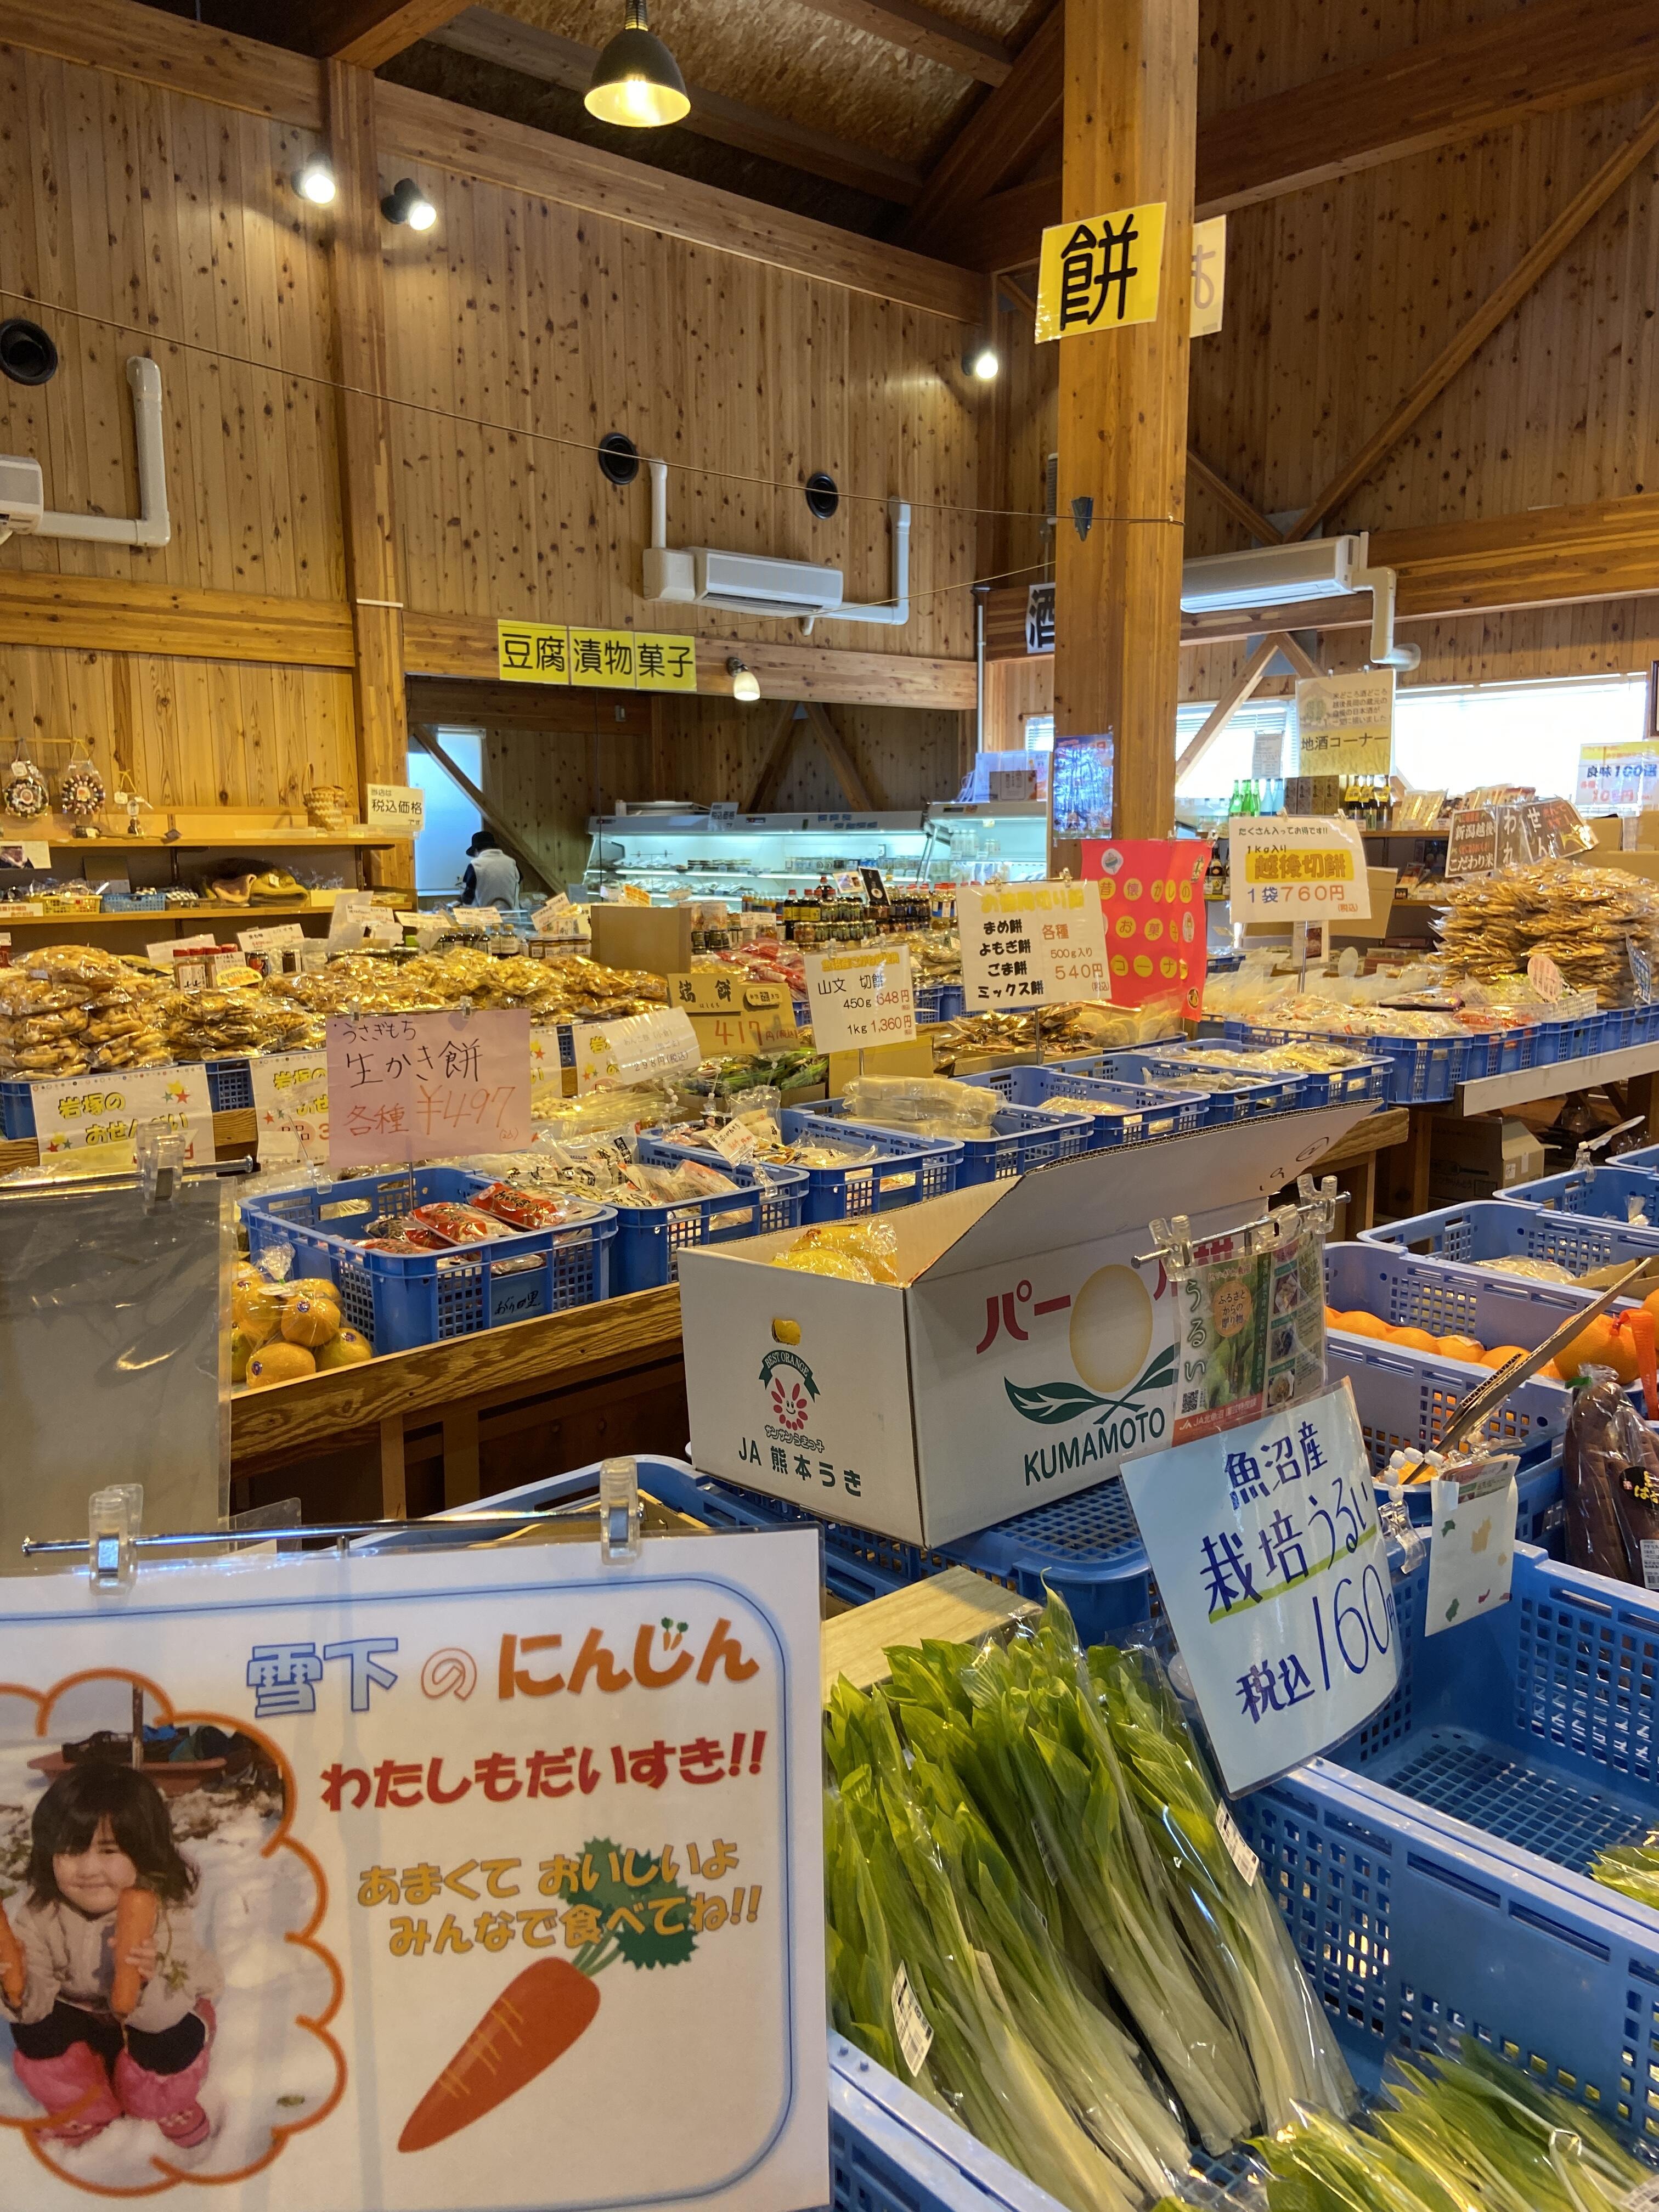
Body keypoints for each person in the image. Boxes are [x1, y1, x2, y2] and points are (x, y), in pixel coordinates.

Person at [1, 1762, 223, 2149]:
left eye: (109, 1850)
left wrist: (148, 1978)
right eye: (70, 1850)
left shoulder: (165, 1914)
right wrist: (12, 1982)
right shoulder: (38, 1913)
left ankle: (163, 2101)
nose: (88, 1869)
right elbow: (34, 2002)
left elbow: (165, 2007)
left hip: (165, 2010)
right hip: (88, 2011)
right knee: (33, 2030)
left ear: (143, 1852)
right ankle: (88, 2105)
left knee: (169, 2040)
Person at [460, 830, 521, 910]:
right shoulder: (511, 862)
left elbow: (468, 898)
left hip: (488, 919)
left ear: (476, 851)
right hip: (513, 918)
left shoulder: (475, 865)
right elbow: (518, 881)